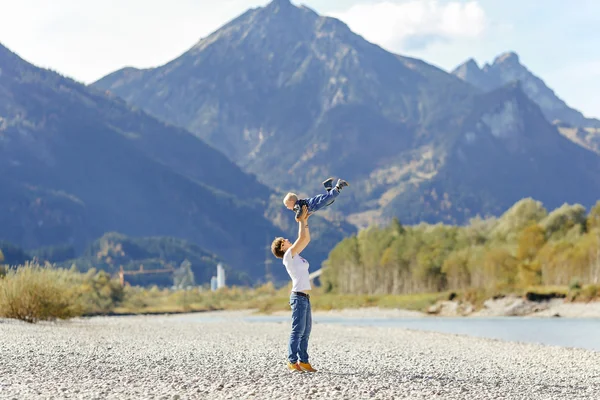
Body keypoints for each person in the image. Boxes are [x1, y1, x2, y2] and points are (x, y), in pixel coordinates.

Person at [271, 205, 317, 372]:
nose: (288, 240)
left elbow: (306, 239)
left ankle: (304, 361)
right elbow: (300, 237)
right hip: (297, 297)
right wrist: (300, 220)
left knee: (306, 331)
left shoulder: (295, 255)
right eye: (285, 240)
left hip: (305, 297)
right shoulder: (288, 257)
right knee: (297, 330)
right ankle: (292, 361)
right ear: (282, 246)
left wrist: (305, 220)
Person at [283, 177, 349, 221]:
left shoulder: (296, 205)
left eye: (286, 205)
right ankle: (328, 186)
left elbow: (300, 211)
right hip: (315, 203)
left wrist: (297, 217)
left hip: (314, 203)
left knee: (329, 199)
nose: (287, 207)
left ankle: (338, 186)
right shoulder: (298, 204)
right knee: (329, 200)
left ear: (291, 202)